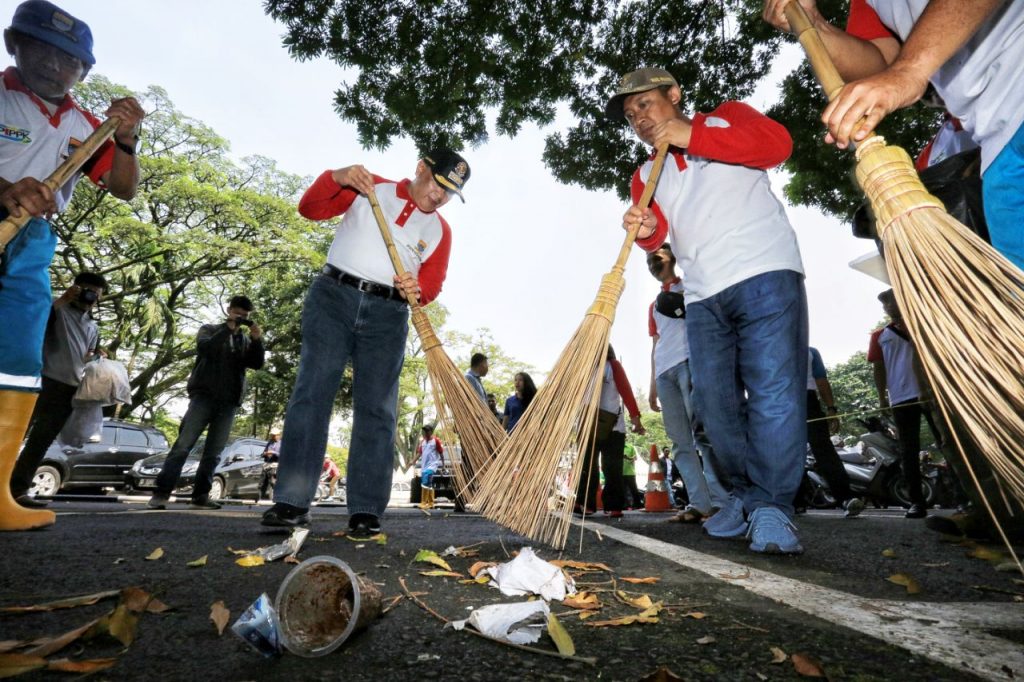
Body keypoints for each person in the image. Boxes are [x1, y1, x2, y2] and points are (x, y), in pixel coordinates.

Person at [611, 67, 808, 554]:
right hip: (700, 295)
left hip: (765, 271)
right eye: (630, 114)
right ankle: (743, 496)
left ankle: (772, 505)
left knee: (773, 393)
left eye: (645, 104)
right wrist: (646, 231)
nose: (638, 118)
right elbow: (658, 234)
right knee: (716, 409)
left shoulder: (727, 118)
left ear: (675, 94)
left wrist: (691, 136)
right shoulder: (644, 175)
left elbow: (777, 146)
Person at [261, 148, 469, 539]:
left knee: (378, 408)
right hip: (334, 297)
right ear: (421, 168)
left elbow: (432, 283)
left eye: (449, 193)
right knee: (312, 392)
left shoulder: (440, 231)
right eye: (438, 184)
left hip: (388, 315)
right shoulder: (370, 187)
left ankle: (365, 510)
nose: (439, 196)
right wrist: (336, 177)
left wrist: (417, 289)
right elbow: (310, 209)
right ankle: (291, 502)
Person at [0, 0, 145, 532]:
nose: (55, 66)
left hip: (33, 239)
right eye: (43, 50)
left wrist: (125, 138)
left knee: (17, 360)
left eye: (70, 60)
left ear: (83, 71)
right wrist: (6, 187)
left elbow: (124, 187)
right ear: (14, 44)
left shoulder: (88, 127)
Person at [762, 0, 1024, 270]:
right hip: (998, 146)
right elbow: (881, 62)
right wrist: (815, 24)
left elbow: (900, 71)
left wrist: (910, 70)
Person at [147, 296, 265, 510]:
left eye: (245, 316)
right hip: (203, 396)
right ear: (228, 310)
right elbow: (205, 349)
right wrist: (227, 329)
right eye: (237, 314)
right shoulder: (209, 329)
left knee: (214, 452)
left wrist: (257, 340)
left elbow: (256, 364)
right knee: (183, 445)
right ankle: (161, 493)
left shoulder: (244, 340)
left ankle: (201, 495)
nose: (240, 318)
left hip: (229, 401)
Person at [646, 243, 729, 524]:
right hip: (665, 372)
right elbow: (655, 344)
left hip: (691, 362)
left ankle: (722, 502)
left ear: (673, 258)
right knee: (680, 442)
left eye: (658, 258)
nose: (653, 264)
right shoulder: (654, 305)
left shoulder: (692, 286)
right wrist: (652, 386)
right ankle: (699, 503)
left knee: (704, 434)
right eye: (649, 262)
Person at [9, 273, 106, 507]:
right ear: (76, 288)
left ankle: (18, 491)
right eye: (88, 292)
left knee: (40, 442)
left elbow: (85, 356)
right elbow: (31, 323)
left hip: (68, 390)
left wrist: (97, 358)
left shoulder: (92, 325)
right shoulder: (56, 308)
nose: (91, 299)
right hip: (40, 381)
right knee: (14, 435)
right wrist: (63, 299)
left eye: (96, 296)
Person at [867, 289, 929, 519]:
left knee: (948, 444)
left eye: (891, 302)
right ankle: (916, 502)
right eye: (885, 305)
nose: (889, 307)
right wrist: (882, 398)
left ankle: (966, 498)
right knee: (908, 450)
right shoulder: (880, 335)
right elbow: (878, 368)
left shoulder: (922, 325)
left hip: (930, 394)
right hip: (901, 397)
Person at [576, 346, 644, 518]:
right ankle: (587, 503)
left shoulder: (613, 365)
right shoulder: (583, 368)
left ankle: (613, 505)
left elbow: (626, 391)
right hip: (589, 425)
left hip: (612, 426)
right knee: (587, 465)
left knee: (611, 466)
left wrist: (635, 418)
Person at [804, 346, 864, 518]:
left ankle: (846, 498)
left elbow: (821, 379)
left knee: (824, 449)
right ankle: (794, 501)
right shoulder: (768, 344)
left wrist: (831, 408)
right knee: (784, 451)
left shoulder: (810, 351)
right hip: (778, 399)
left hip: (808, 400)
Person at [416, 424, 444, 510]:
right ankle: (431, 503)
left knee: (425, 482)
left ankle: (424, 502)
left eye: (427, 431)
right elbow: (419, 453)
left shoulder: (436, 441)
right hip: (424, 466)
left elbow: (441, 453)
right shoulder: (423, 442)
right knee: (429, 484)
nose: (425, 433)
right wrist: (412, 461)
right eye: (424, 431)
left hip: (432, 465)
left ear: (431, 432)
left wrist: (443, 465)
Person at [258, 428, 281, 501]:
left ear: (278, 435)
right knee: (262, 483)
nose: (273, 436)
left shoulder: (281, 444)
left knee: (273, 483)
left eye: (275, 435)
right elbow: (263, 453)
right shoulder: (269, 443)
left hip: (275, 465)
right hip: (266, 465)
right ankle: (260, 499)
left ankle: (274, 500)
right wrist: (265, 454)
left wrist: (273, 452)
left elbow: (282, 455)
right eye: (272, 435)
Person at [621, 442, 643, 510]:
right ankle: (625, 505)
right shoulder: (616, 447)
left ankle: (637, 504)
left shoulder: (630, 447)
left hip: (630, 472)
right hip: (620, 472)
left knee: (633, 489)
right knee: (622, 490)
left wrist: (628, 458)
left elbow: (635, 458)